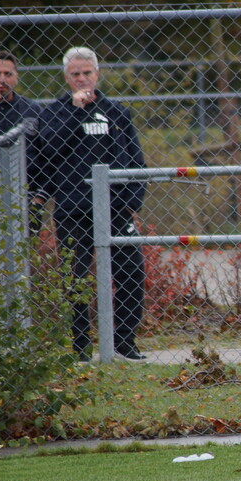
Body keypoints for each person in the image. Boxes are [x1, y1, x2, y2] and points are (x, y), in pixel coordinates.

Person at [29, 47, 148, 362]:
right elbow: (50, 150)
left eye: (87, 73)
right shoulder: (54, 112)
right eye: (75, 74)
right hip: (73, 208)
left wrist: (132, 202)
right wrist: (76, 111)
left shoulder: (117, 111)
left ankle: (124, 342)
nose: (82, 79)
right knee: (75, 277)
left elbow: (136, 159)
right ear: (66, 77)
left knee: (131, 272)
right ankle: (80, 346)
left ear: (97, 73)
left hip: (115, 207)